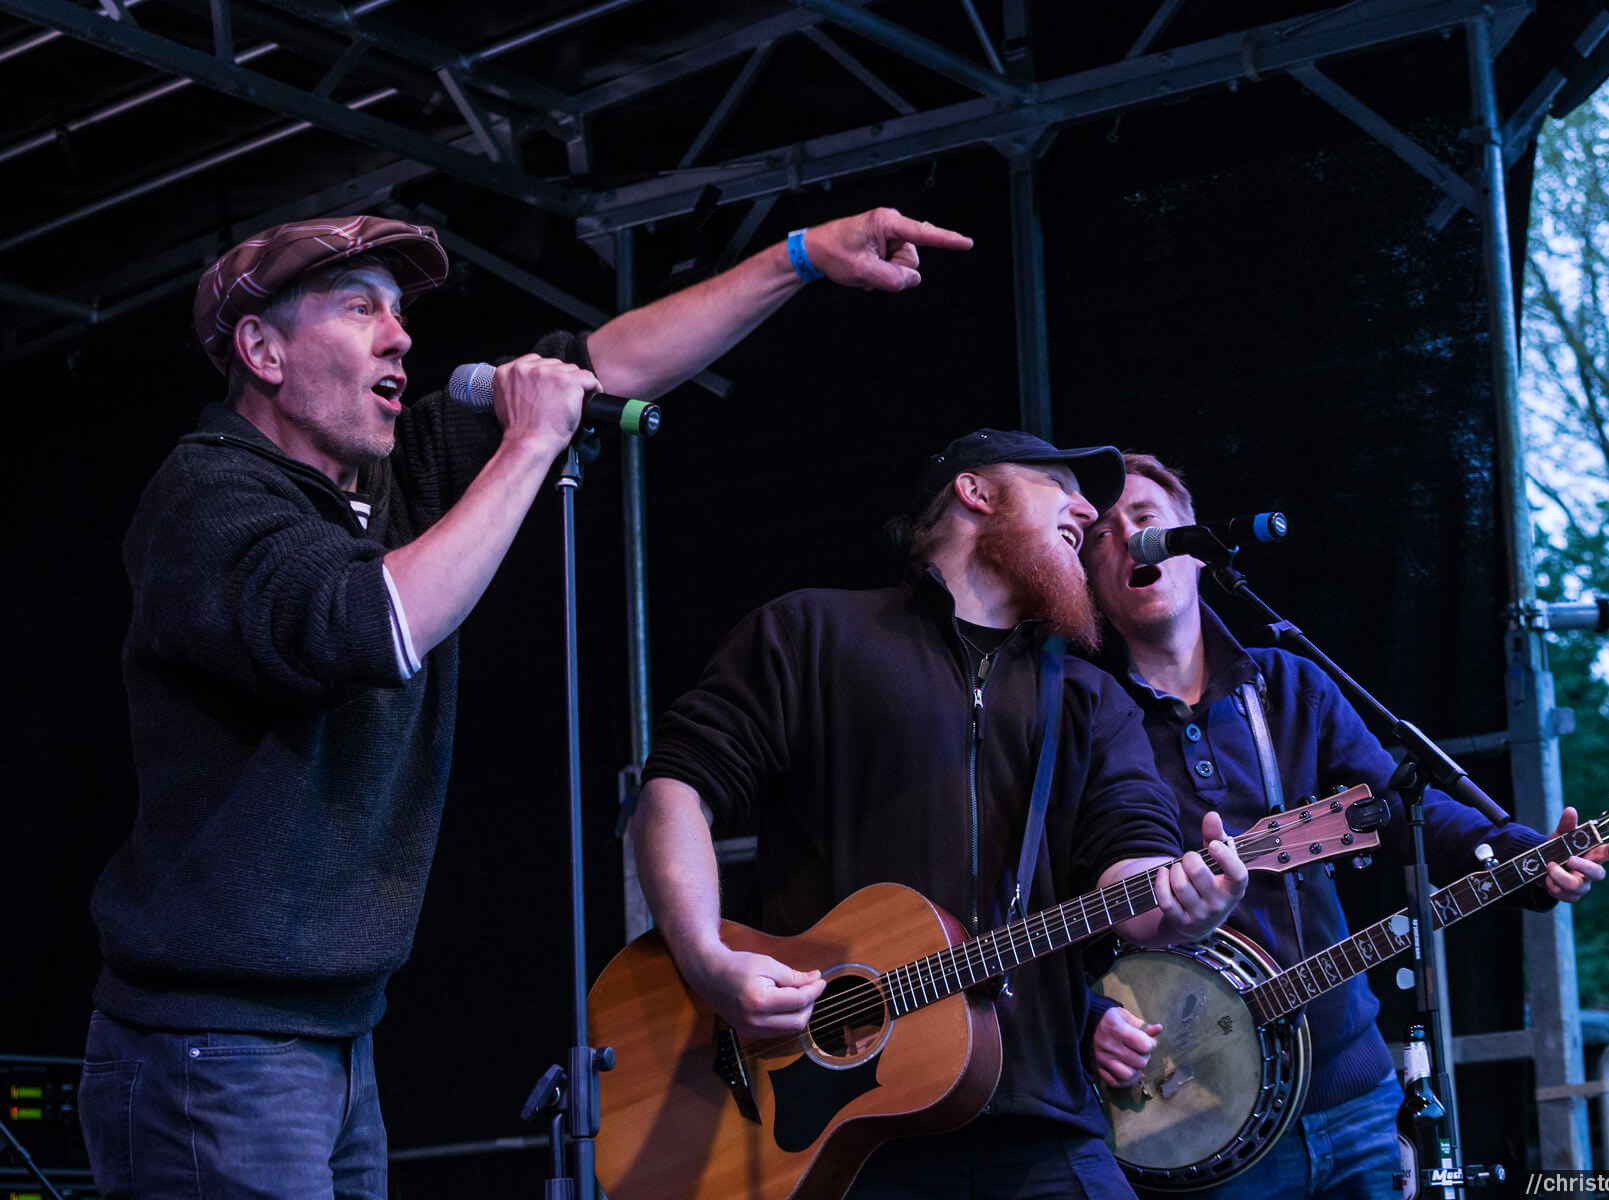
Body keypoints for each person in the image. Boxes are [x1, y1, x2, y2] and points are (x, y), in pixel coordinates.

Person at [78, 208, 973, 1200]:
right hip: (212, 1046)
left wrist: (797, 258)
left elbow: (603, 364)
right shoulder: (209, 495)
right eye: (359, 308)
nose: (400, 335)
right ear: (262, 349)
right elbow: (374, 628)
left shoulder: (391, 475)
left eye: (400, 311)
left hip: (333, 1037)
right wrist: (528, 446)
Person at [630, 429, 1251, 1199]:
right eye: (1060, 488)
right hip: (839, 1138)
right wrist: (705, 959)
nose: (1089, 513)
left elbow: (1134, 874)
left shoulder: (1089, 699)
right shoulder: (810, 633)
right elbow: (675, 791)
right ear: (976, 491)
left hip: (1043, 1135)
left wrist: (1185, 901)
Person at [1077, 452, 1609, 1200]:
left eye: (1146, 521)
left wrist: (1528, 857)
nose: (1129, 541)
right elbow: (1037, 901)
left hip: (1353, 1094)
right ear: (1086, 578)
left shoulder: (1290, 683)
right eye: (1101, 536)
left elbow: (1400, 807)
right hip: (1191, 1114)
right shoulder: (1083, 718)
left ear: (1197, 548)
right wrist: (1089, 1016)